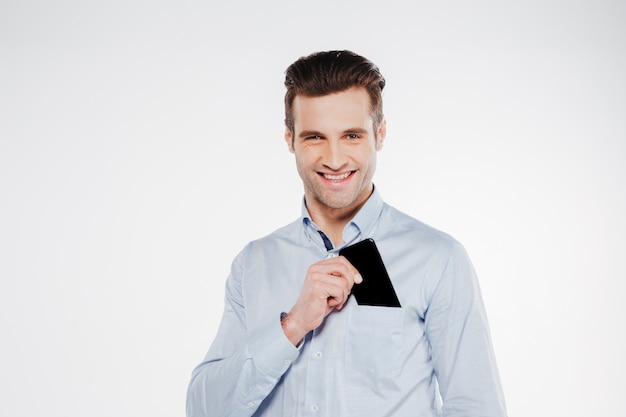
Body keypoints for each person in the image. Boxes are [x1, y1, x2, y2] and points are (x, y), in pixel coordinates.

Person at [186, 50, 507, 417]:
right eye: (315, 138)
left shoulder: (438, 259)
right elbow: (203, 409)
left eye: (352, 135)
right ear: (290, 139)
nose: (335, 159)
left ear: (380, 134)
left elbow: (477, 408)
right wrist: (292, 325)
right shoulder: (253, 263)